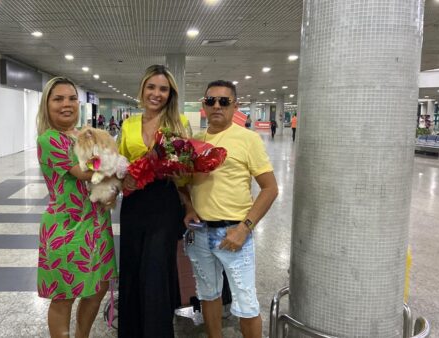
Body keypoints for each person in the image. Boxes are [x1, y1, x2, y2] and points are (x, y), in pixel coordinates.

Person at [182, 80, 278, 338]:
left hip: (234, 233)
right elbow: (183, 182)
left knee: (246, 305)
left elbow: (270, 189)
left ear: (235, 106)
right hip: (200, 232)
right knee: (208, 295)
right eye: (210, 101)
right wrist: (189, 206)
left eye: (223, 101)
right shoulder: (194, 142)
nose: (216, 106)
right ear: (204, 105)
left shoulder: (248, 139)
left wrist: (244, 229)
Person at [36, 77, 117, 338]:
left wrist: (112, 188)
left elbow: (104, 169)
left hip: (96, 223)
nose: (66, 104)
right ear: (47, 104)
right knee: (64, 295)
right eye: (58, 99)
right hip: (67, 228)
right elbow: (85, 171)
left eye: (72, 98)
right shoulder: (50, 140)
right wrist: (117, 165)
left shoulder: (85, 134)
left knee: (99, 287)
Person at [118, 64, 190, 338]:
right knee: (133, 266)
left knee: (156, 269)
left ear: (170, 93)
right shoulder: (128, 124)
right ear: (143, 89)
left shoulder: (178, 123)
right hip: (134, 203)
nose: (156, 94)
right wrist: (123, 177)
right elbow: (121, 162)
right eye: (152, 87)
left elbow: (186, 172)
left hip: (164, 202)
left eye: (163, 89)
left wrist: (189, 203)